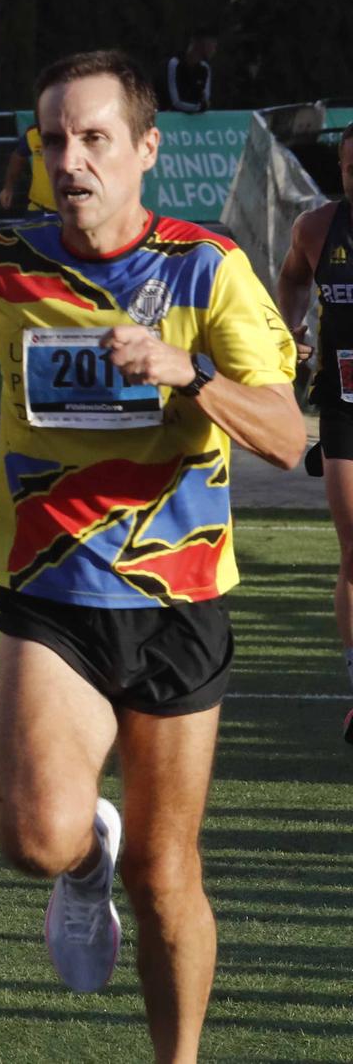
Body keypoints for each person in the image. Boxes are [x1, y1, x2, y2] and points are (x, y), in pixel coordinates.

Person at [0, 50, 301, 1059]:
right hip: (49, 585)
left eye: (93, 139)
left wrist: (186, 373)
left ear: (143, 150)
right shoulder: (4, 258)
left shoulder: (206, 267)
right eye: (52, 140)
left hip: (175, 601)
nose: (70, 161)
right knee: (34, 835)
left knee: (165, 875)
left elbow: (287, 434)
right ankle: (80, 864)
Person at [273, 125, 353, 744]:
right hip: (345, 404)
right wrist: (291, 334)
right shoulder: (317, 228)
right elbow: (295, 279)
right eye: (351, 168)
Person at [0, 122, 54, 217]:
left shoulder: (79, 136)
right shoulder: (33, 134)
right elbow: (18, 156)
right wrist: (8, 187)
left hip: (71, 212)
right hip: (38, 208)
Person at [164, 32, 217, 114]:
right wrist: (198, 107)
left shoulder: (205, 68)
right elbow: (175, 102)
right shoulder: (174, 64)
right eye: (212, 43)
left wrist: (201, 106)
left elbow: (205, 100)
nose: (214, 49)